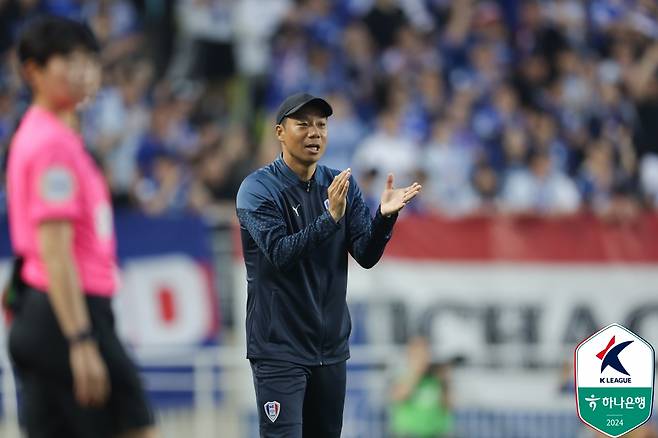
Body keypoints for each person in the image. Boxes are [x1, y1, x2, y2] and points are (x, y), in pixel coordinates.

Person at [3, 16, 157, 438]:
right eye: (68, 60)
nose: (84, 71)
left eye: (90, 59)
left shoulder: (53, 135)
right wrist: (81, 340)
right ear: (33, 71)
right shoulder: (50, 142)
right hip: (69, 313)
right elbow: (54, 249)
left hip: (48, 309)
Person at [236, 92, 422, 437]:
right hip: (279, 350)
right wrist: (328, 218)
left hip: (330, 350)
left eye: (321, 125)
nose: (315, 132)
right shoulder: (257, 189)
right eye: (303, 124)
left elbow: (366, 255)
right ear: (279, 132)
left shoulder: (341, 187)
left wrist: (384, 218)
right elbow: (280, 253)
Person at [389, 336, 455, 438]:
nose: (424, 358)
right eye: (419, 355)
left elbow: (449, 405)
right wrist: (416, 373)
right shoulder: (401, 375)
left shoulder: (436, 377)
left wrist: (445, 382)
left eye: (426, 354)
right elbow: (399, 397)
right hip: (409, 433)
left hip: (436, 433)